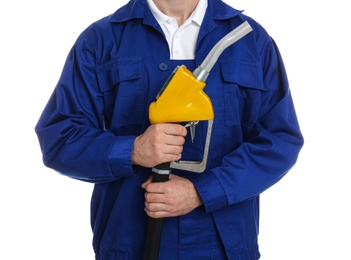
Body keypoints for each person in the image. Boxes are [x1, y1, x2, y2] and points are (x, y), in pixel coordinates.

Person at [35, 0, 304, 259]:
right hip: (129, 244)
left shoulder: (250, 40)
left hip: (225, 247)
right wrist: (133, 150)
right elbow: (60, 138)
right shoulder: (101, 41)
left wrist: (202, 192)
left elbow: (280, 140)